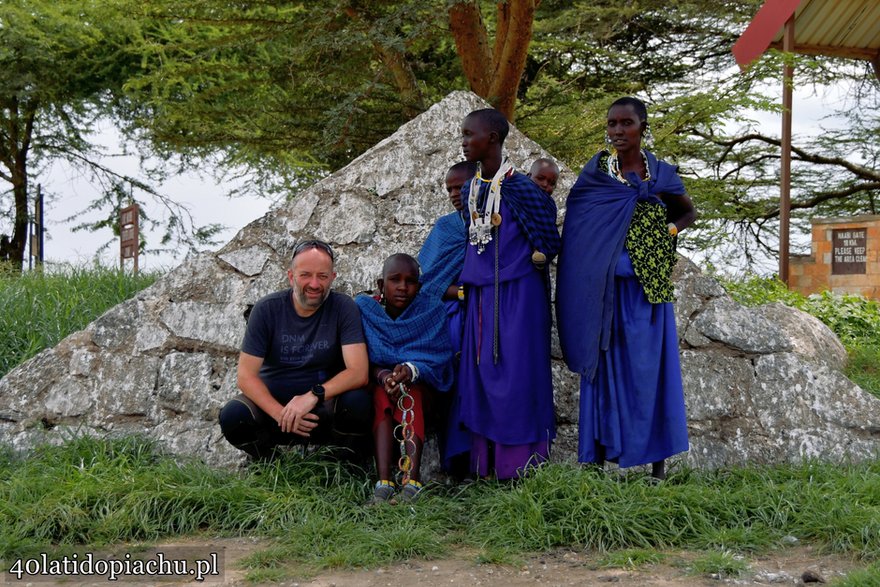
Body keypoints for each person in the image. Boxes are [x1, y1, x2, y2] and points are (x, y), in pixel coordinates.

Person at [556, 97, 696, 480]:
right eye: (612, 124)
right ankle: (595, 462)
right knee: (602, 372)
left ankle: (657, 468)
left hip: (648, 292)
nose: (617, 131)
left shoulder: (662, 174)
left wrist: (665, 234)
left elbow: (687, 211)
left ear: (642, 126)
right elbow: (581, 227)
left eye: (626, 124)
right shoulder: (599, 172)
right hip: (604, 295)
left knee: (650, 372)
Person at [455, 108, 561, 480]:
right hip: (483, 299)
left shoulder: (522, 188)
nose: (465, 141)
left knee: (518, 379)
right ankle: (486, 468)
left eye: (471, 134)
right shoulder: (471, 188)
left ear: (494, 139)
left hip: (520, 300)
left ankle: (521, 469)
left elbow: (548, 240)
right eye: (463, 134)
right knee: (483, 376)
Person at [218, 240, 371, 462]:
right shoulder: (266, 310)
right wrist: (282, 415)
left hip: (323, 409)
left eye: (322, 276)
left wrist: (313, 395)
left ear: (333, 278)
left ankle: (337, 464)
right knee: (234, 415)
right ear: (291, 276)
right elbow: (245, 377)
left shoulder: (343, 308)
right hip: (274, 412)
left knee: (359, 403)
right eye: (305, 275)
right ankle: (270, 465)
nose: (314, 283)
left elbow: (358, 372)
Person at [356, 254, 454, 503]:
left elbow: (440, 357)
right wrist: (384, 375)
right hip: (380, 387)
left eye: (410, 281)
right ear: (381, 285)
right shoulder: (365, 311)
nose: (402, 287)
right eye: (394, 280)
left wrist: (412, 370)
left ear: (419, 287)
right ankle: (384, 482)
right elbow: (358, 357)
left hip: (423, 393)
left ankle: (412, 480)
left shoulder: (432, 311)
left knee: (411, 392)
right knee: (381, 394)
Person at [417, 160, 478, 472]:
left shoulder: (494, 225)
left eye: (460, 187)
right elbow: (425, 282)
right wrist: (465, 293)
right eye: (449, 189)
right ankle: (456, 463)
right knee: (454, 387)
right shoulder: (446, 228)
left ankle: (486, 462)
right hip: (452, 320)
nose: (455, 194)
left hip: (489, 319)